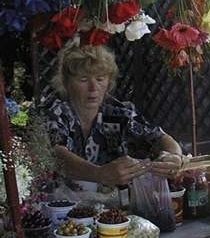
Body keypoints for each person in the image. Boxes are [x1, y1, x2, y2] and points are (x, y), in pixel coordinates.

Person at [44, 43, 182, 192]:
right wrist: (99, 173)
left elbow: (159, 137)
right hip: (58, 204)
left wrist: (174, 157)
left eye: (100, 79)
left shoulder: (118, 113)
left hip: (110, 206)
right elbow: (56, 154)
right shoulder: (55, 110)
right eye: (83, 80)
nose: (93, 88)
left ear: (109, 82)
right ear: (66, 82)